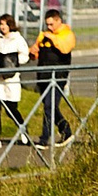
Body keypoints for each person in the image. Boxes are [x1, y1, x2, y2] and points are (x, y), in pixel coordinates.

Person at [0, 13, 31, 143]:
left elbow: (25, 56)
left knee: (11, 109)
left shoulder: (18, 39)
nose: (3, 27)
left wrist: (13, 62)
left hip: (11, 80)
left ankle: (23, 129)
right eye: (1, 24)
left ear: (11, 25)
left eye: (5, 24)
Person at [33, 8, 76, 145]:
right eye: (47, 25)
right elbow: (36, 50)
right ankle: (66, 131)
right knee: (50, 106)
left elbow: (65, 48)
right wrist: (33, 51)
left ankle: (45, 138)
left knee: (49, 106)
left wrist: (53, 38)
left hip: (58, 77)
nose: (49, 27)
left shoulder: (67, 34)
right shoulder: (43, 35)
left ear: (59, 21)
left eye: (52, 24)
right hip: (43, 76)